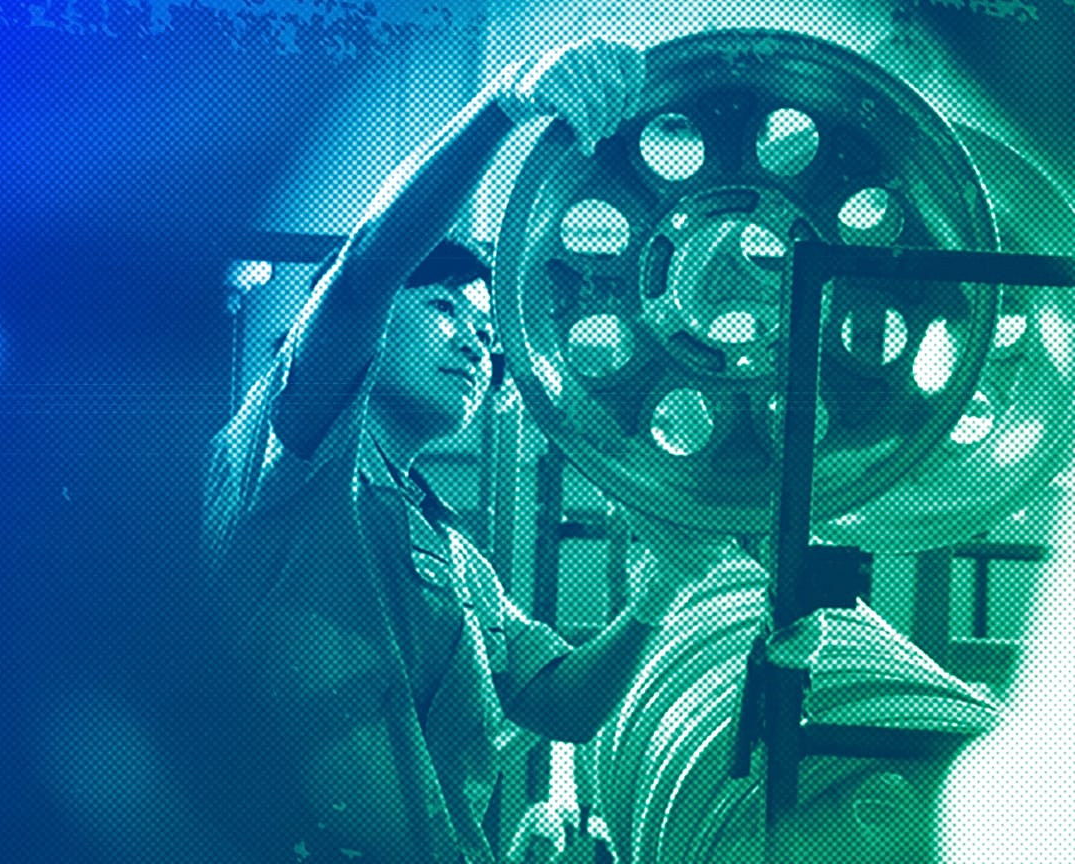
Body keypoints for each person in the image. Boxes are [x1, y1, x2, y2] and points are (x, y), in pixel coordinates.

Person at [201, 38, 733, 864]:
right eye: (447, 309)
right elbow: (368, 269)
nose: (477, 344)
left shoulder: (455, 557)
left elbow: (561, 705)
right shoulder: (292, 459)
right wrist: (501, 108)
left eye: (488, 333)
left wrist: (657, 594)